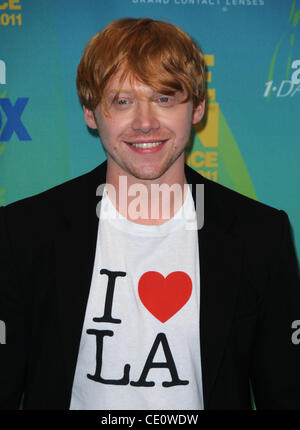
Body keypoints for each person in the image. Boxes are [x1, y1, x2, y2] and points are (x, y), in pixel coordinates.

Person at [0, 17, 300, 411]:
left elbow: (286, 394)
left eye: (164, 98)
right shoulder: (23, 231)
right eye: (122, 101)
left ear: (196, 109)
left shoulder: (261, 235)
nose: (144, 123)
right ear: (91, 113)